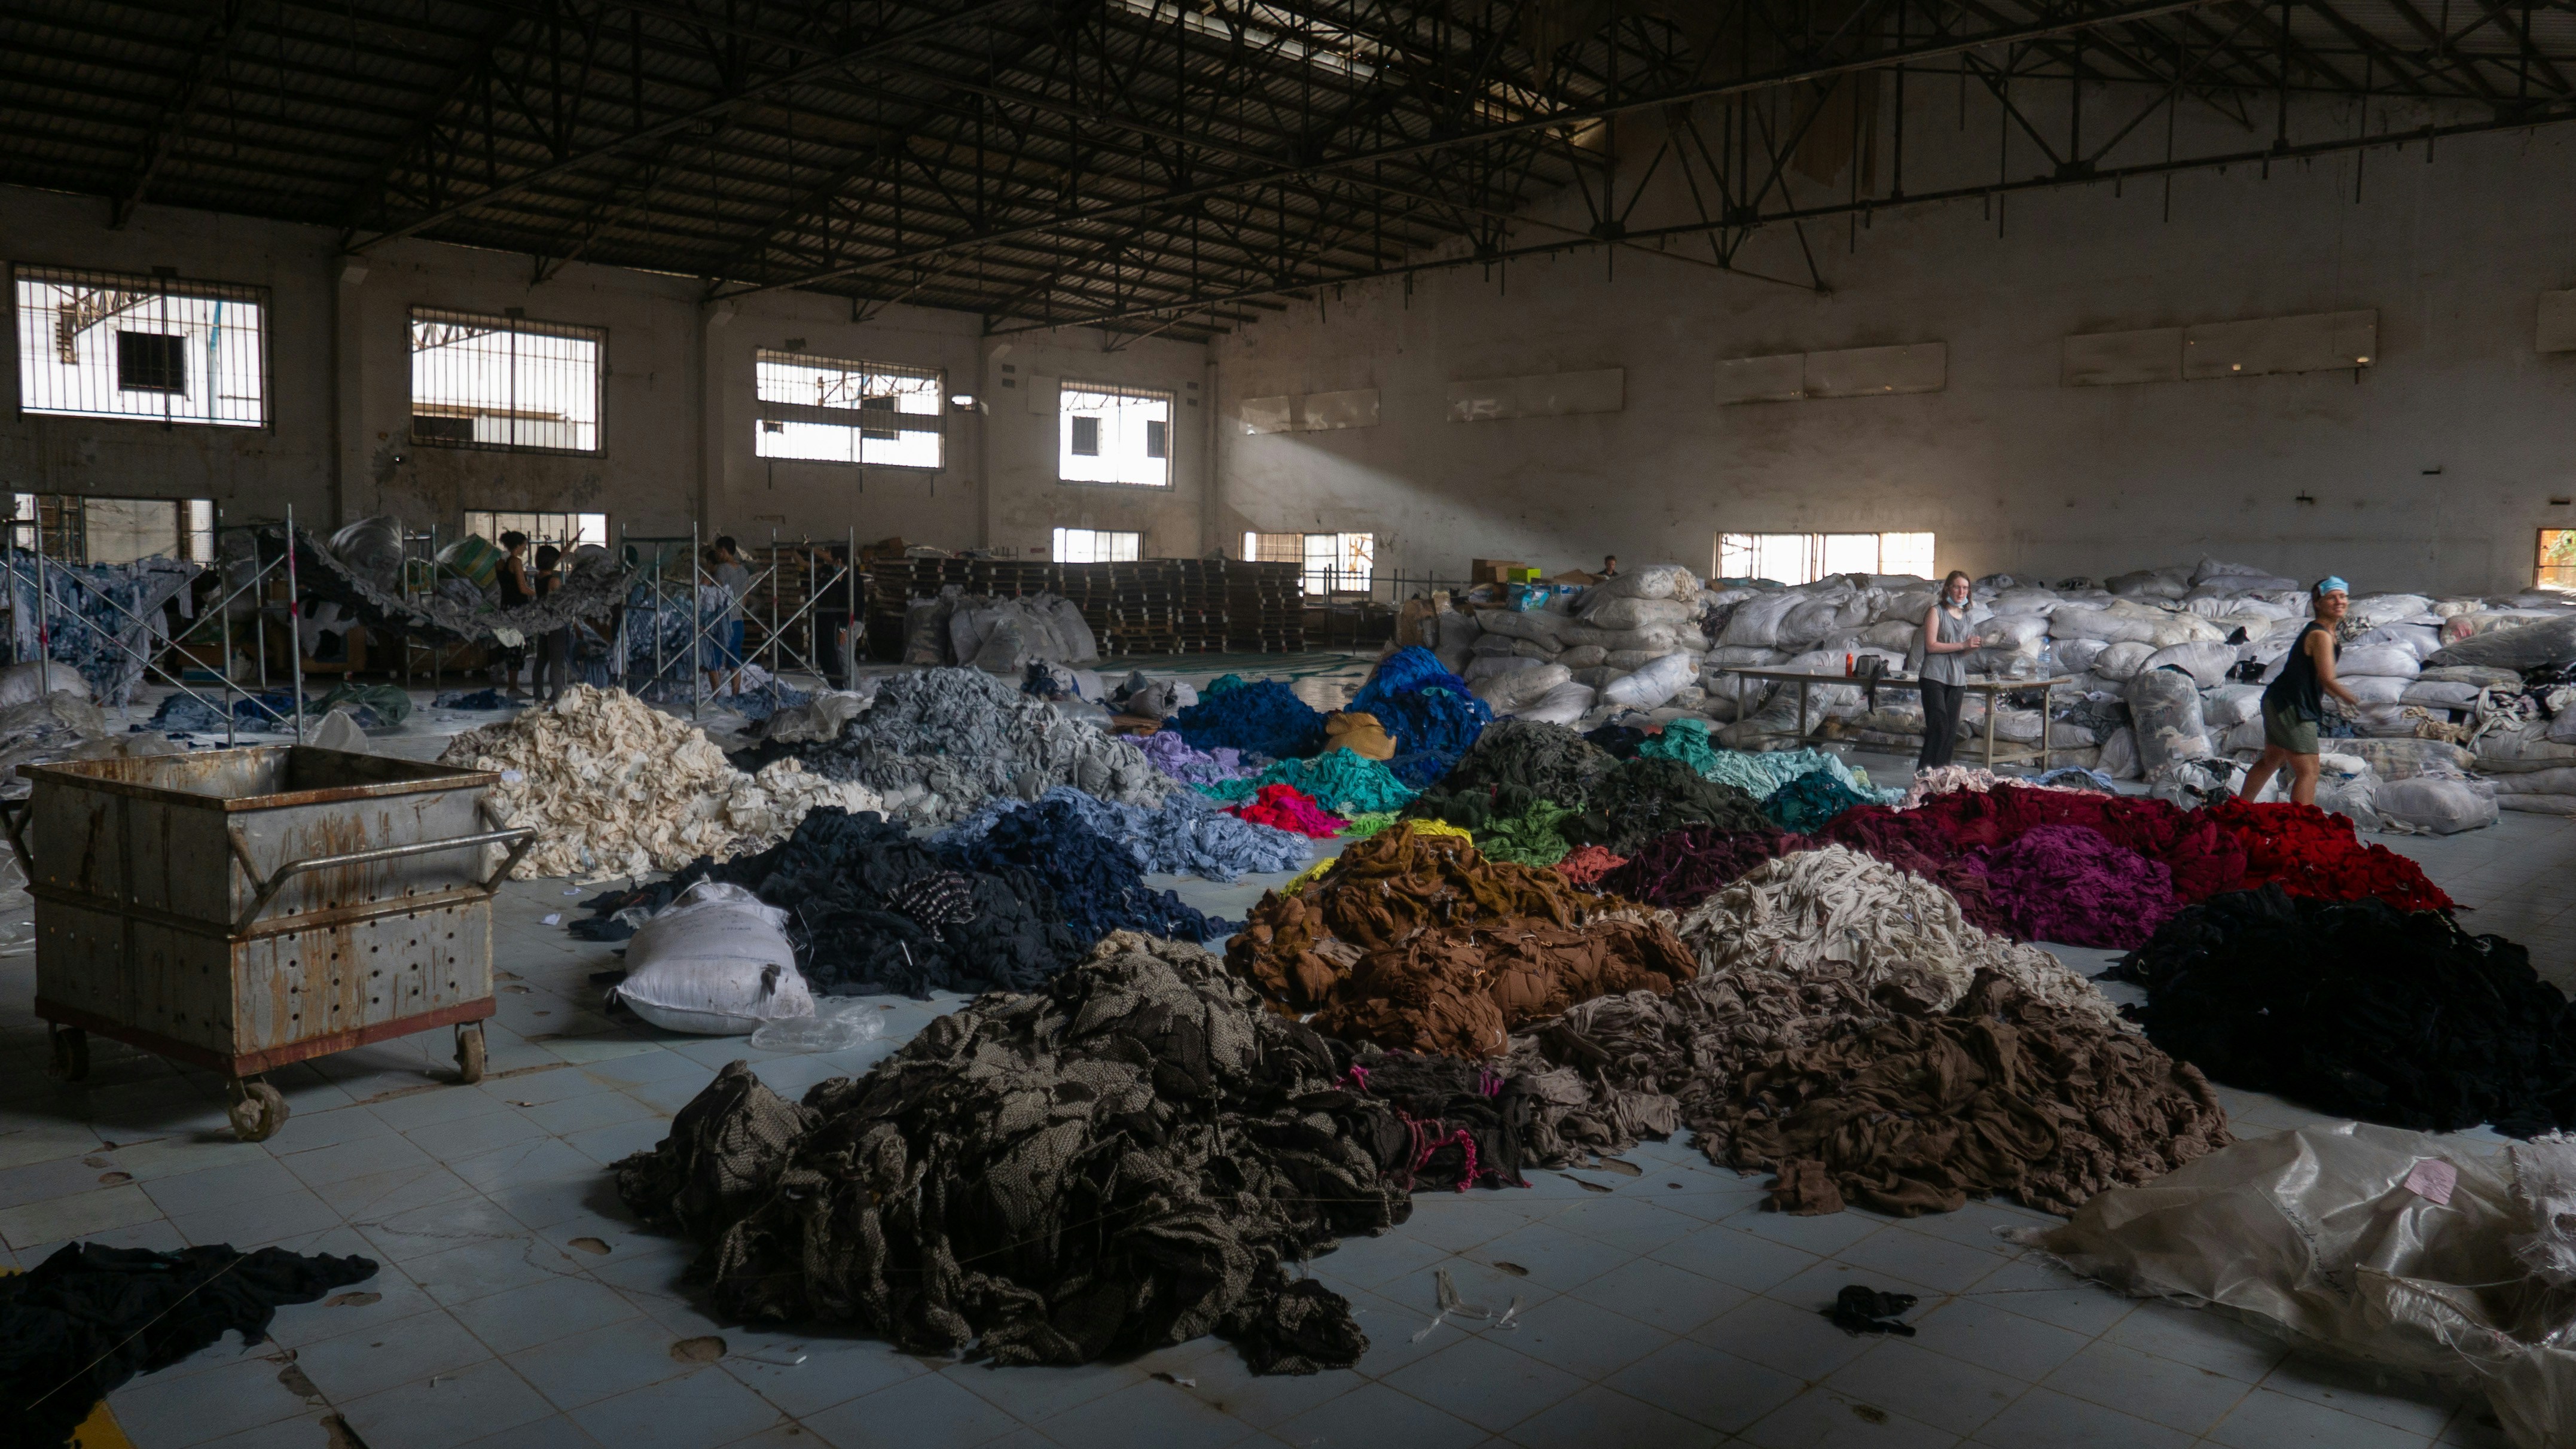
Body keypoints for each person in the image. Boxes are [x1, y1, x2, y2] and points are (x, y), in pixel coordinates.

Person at [2241, 577, 2360, 806]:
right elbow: (2328, 678)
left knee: (2272, 759)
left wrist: (2338, 699)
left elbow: (2320, 679)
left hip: (2281, 700)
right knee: (2309, 770)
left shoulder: (2325, 632)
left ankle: (2239, 808)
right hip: (2292, 706)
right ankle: (2302, 827)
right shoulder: (2320, 635)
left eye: (2343, 596)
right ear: (2318, 603)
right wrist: (2353, 699)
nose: (2339, 601)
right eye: (2332, 597)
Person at [1916, 569, 1986, 773]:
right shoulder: (1935, 612)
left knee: (1950, 733)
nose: (1961, 592)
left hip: (1956, 679)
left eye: (1965, 588)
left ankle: (1940, 774)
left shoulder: (1966, 617)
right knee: (1939, 725)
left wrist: (1969, 649)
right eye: (1957, 587)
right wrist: (1963, 644)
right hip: (1933, 676)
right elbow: (1931, 646)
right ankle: (1923, 774)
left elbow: (1958, 653)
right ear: (1948, 588)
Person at [706, 536, 751, 695]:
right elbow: (745, 595)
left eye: (718, 551)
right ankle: (735, 694)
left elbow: (715, 594)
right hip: (738, 620)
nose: (717, 554)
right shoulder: (744, 571)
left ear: (723, 551)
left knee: (713, 659)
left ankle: (717, 696)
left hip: (723, 621)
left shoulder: (722, 569)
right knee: (735, 660)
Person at [493, 530, 532, 699]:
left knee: (511, 647)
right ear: (518, 545)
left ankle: (513, 687)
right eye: (524, 545)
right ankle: (513, 689)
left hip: (505, 607)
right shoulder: (516, 562)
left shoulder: (500, 562)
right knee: (517, 647)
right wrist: (540, 593)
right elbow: (523, 589)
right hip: (517, 609)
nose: (525, 548)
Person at [532, 544, 570, 703]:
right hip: (555, 624)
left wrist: (571, 544)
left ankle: (538, 696)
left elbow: (558, 558)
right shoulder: (554, 581)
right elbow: (563, 603)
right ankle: (558, 696)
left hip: (543, 623)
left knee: (541, 660)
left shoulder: (538, 577)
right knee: (556, 663)